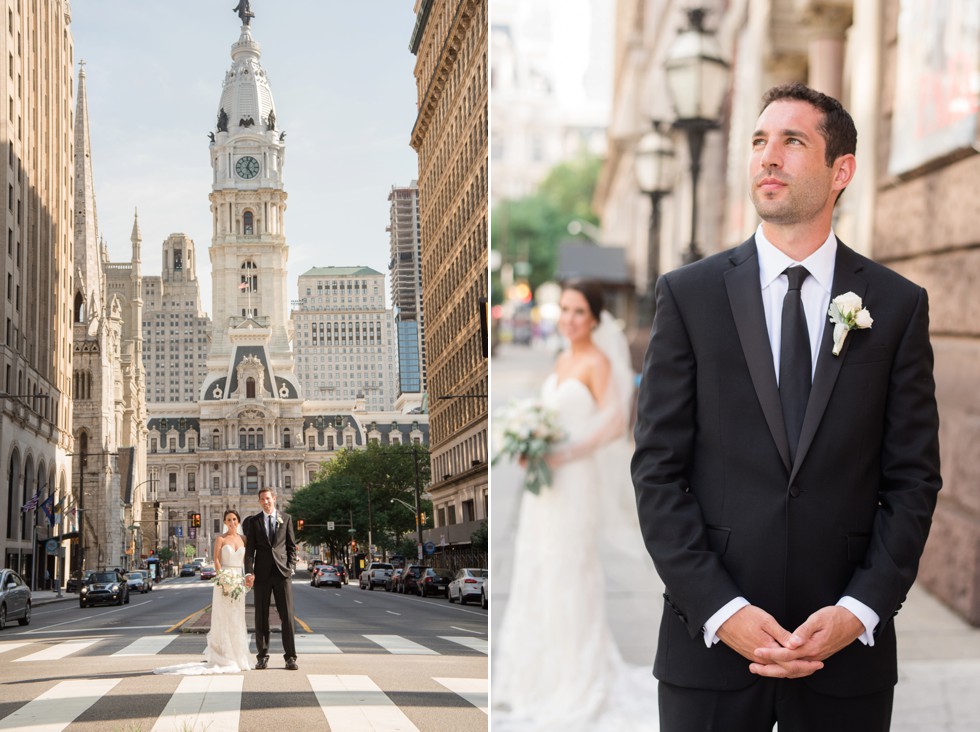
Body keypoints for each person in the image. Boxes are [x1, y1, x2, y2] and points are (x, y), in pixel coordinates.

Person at [631, 82, 942, 731]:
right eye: (758, 141)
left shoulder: (897, 304)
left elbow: (913, 479)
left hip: (844, 657)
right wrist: (721, 610)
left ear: (841, 171)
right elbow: (658, 472)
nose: (768, 157)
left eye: (792, 141)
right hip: (709, 652)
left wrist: (860, 610)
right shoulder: (689, 296)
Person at [493, 280, 658, 732]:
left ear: (595, 319)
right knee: (538, 571)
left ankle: (576, 679)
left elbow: (614, 423)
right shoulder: (562, 358)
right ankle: (539, 678)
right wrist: (531, 446)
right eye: (564, 309)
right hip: (544, 487)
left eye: (578, 311)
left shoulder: (597, 362)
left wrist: (562, 453)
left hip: (576, 481)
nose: (569, 318)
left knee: (571, 573)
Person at [154, 509, 251, 675]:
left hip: (238, 581)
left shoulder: (244, 539)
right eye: (228, 519)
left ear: (238, 521)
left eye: (234, 519)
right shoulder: (220, 539)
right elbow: (217, 560)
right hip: (225, 581)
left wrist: (247, 576)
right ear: (225, 522)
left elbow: (248, 560)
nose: (232, 522)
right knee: (223, 618)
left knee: (237, 618)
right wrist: (223, 578)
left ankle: (239, 656)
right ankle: (224, 656)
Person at [244, 487, 298, 670]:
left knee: (287, 617)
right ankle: (262, 655)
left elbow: (291, 546)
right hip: (262, 574)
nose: (265, 502)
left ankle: (290, 657)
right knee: (261, 616)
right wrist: (249, 572)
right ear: (259, 501)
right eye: (262, 499)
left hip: (282, 574)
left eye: (268, 498)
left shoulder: (287, 518)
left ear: (274, 498)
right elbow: (250, 550)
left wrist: (291, 567)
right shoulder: (254, 522)